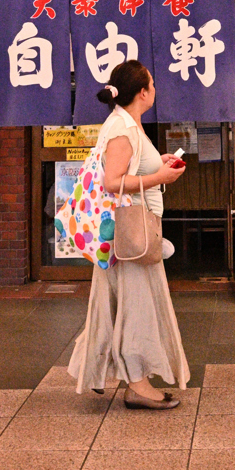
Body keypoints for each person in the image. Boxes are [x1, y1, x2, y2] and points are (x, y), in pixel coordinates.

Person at [68, 59, 189, 409]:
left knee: (116, 305)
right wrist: (159, 178)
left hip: (126, 234)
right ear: (142, 92)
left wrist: (157, 163)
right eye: (152, 83)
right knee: (136, 307)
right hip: (130, 236)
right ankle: (137, 384)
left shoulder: (127, 123)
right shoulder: (122, 128)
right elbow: (112, 182)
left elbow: (129, 168)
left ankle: (98, 368)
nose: (155, 88)